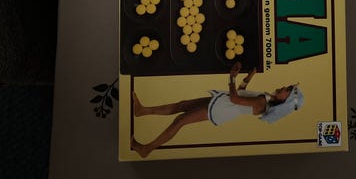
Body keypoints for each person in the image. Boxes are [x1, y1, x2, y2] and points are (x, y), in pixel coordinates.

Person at [130, 61, 304, 158]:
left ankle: (147, 149)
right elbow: (242, 93)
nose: (284, 87)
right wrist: (247, 78)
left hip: (222, 108)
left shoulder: (262, 102)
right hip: (223, 101)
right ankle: (142, 111)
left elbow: (236, 99)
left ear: (285, 99)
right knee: (181, 105)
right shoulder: (266, 98)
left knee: (180, 121)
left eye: (288, 89)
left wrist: (231, 78)